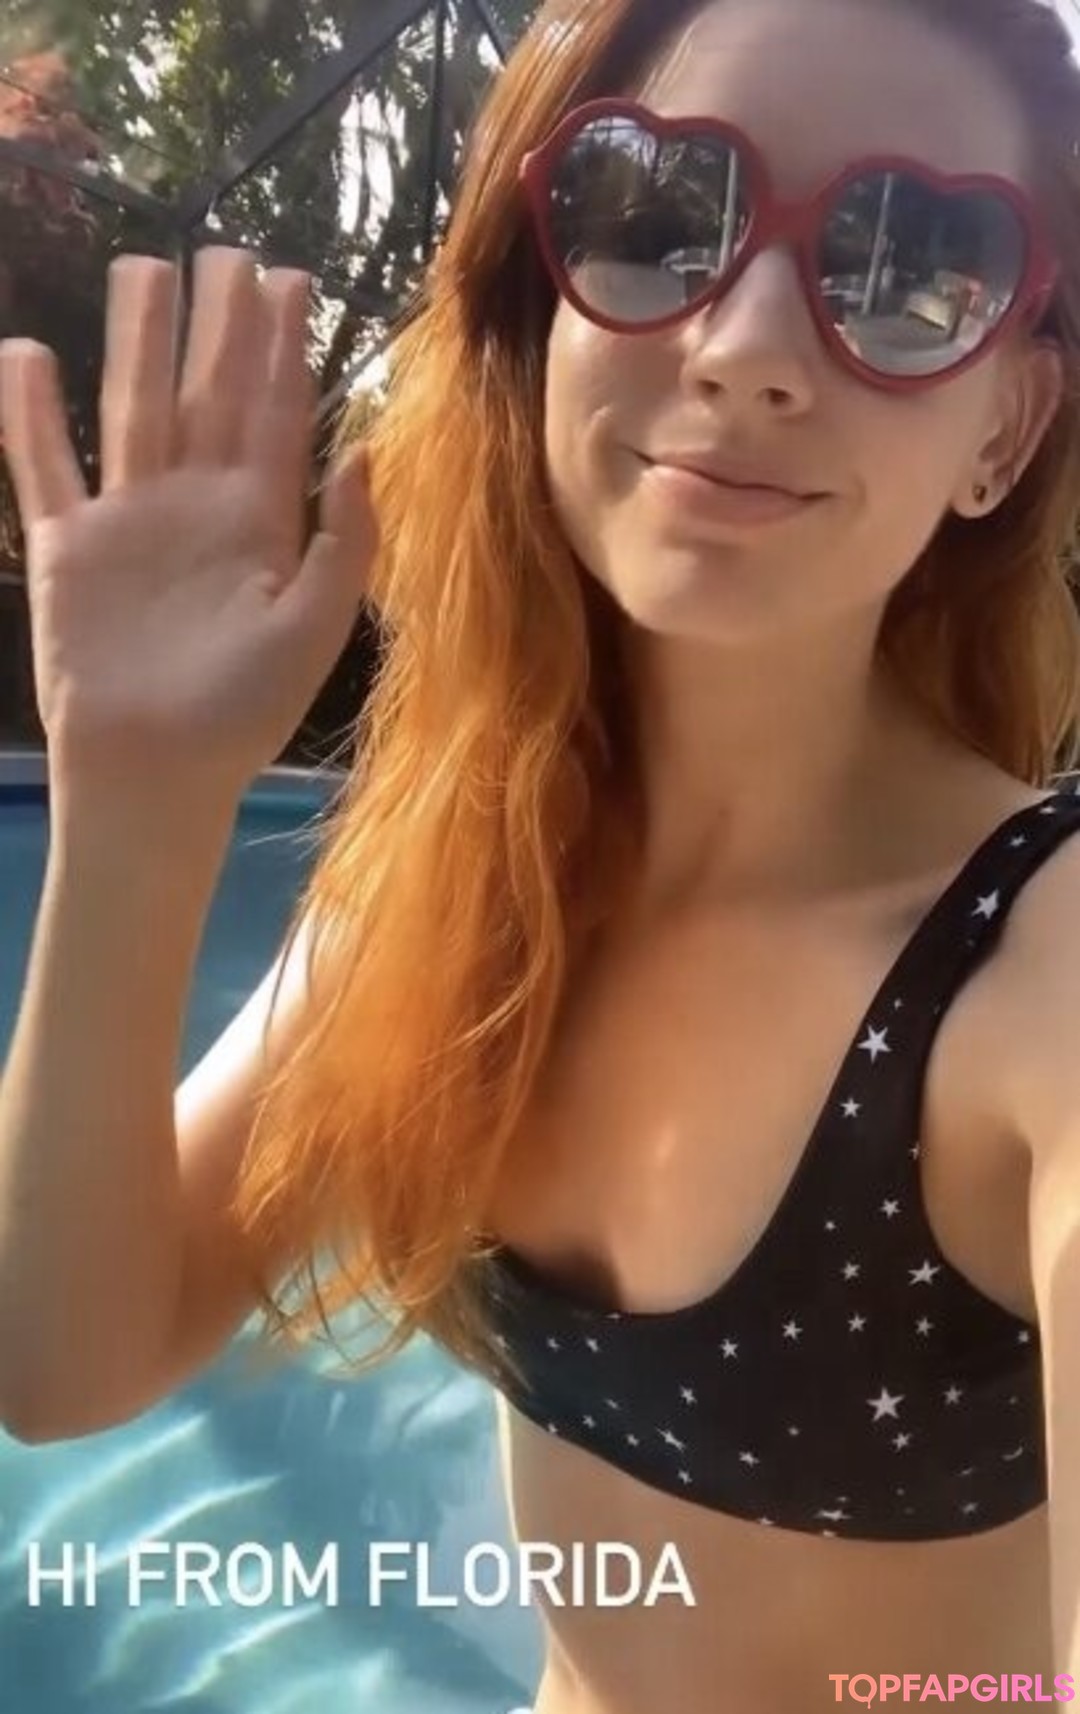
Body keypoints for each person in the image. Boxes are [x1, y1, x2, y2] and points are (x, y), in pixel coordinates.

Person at [2, 0, 1080, 1707]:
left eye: (909, 266)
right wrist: (135, 804)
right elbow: (66, 1363)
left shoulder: (1037, 973)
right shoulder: (470, 880)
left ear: (1004, 432)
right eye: (661, 217)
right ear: (540, 317)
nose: (750, 345)